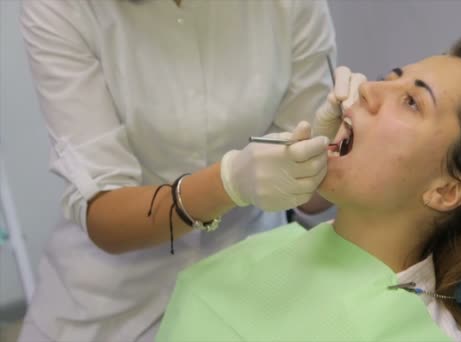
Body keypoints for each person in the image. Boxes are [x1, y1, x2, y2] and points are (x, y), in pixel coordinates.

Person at [157, 34, 461, 341]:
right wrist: (231, 181)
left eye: (412, 102)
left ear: (447, 191)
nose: (368, 89)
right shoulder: (260, 249)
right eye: (390, 77)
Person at [18, 0, 355, 341]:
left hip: (249, 275)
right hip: (112, 297)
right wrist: (229, 183)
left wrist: (322, 160)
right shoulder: (62, 8)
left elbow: (312, 200)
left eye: (410, 98)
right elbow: (104, 211)